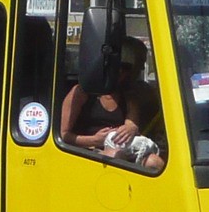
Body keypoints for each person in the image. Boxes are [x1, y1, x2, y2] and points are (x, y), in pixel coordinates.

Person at [61, 42, 165, 171]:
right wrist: (93, 140)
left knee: (155, 163)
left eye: (126, 68)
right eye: (117, 66)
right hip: (87, 152)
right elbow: (63, 134)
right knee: (115, 156)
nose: (121, 72)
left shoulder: (128, 95)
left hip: (121, 148)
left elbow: (132, 121)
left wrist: (131, 127)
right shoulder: (81, 92)